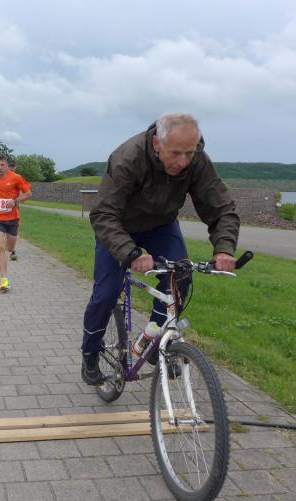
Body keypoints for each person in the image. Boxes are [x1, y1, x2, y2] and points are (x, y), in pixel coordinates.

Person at [80, 113, 240, 385]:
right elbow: (103, 213)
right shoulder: (127, 158)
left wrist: (224, 248)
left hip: (161, 225)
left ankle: (155, 341)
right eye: (175, 153)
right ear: (157, 143)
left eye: (189, 153)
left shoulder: (196, 160)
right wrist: (131, 253)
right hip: (117, 225)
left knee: (181, 277)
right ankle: (90, 352)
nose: (183, 161)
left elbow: (222, 208)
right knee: (106, 292)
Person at [0, 154, 32, 292]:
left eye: (2, 165)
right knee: (0, 245)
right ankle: (4, 280)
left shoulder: (16, 178)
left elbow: (28, 194)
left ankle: (11, 250)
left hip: (12, 219)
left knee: (10, 246)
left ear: (7, 165)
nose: (0, 167)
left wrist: (16, 201)